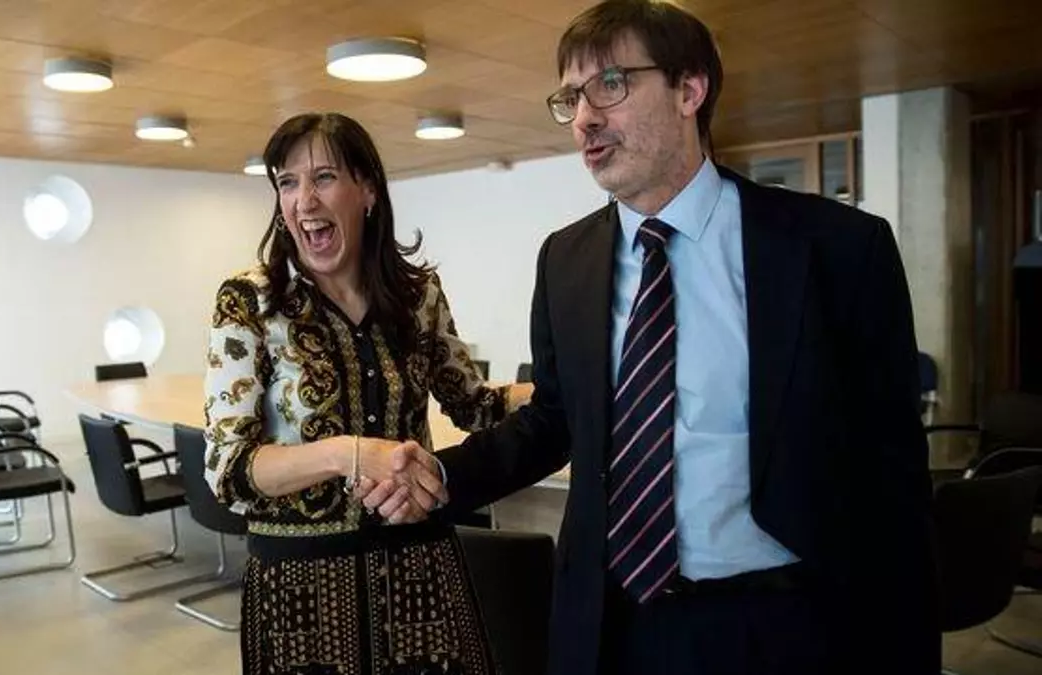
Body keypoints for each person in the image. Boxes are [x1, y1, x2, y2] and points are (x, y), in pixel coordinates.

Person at [355, 1, 940, 674]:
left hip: (782, 626)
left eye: (610, 84)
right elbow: (554, 419)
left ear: (690, 90)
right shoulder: (566, 259)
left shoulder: (837, 248)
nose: (584, 118)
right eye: (571, 97)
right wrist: (445, 475)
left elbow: (893, 473)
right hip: (613, 626)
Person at [202, 111, 532, 675]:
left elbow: (475, 405)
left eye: (324, 177)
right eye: (288, 182)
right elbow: (228, 470)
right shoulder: (249, 301)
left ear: (368, 190)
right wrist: (349, 453)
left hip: (418, 571)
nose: (304, 200)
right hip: (301, 588)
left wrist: (566, 385)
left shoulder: (418, 295)